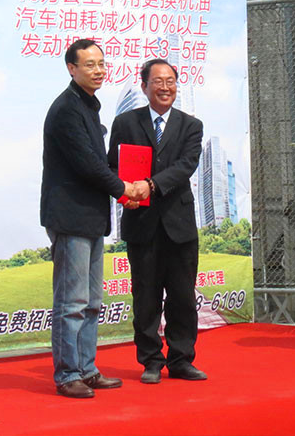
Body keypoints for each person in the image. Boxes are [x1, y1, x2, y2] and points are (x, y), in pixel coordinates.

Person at [40, 39, 142, 398]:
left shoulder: (87, 105)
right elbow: (87, 164)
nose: (98, 70)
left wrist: (123, 190)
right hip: (70, 216)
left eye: (101, 63)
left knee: (92, 302)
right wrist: (124, 190)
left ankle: (87, 369)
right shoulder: (67, 109)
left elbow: (98, 164)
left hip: (91, 216)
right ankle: (68, 374)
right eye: (89, 64)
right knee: (72, 303)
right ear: (72, 69)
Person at [108, 59, 206, 383]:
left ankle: (181, 359)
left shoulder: (191, 125)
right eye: (158, 81)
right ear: (144, 86)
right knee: (146, 298)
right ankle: (150, 361)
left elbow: (186, 166)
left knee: (182, 297)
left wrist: (151, 185)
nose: (165, 87)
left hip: (179, 225)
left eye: (170, 81)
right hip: (141, 222)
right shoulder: (125, 122)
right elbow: (113, 166)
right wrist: (124, 193)